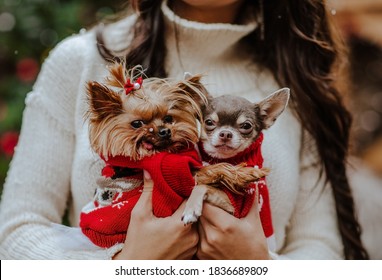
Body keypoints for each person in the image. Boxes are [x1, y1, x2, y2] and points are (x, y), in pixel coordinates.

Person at [0, 0, 369, 259]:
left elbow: (323, 250)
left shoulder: (297, 79)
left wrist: (258, 264)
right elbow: (15, 232)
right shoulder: (80, 61)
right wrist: (128, 267)